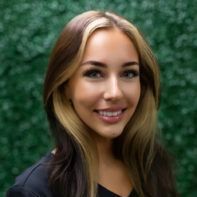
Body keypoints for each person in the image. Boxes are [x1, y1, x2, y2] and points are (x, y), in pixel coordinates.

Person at [6, 10, 178, 197]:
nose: (115, 93)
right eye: (94, 73)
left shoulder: (151, 166)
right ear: (64, 86)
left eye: (128, 73)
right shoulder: (34, 191)